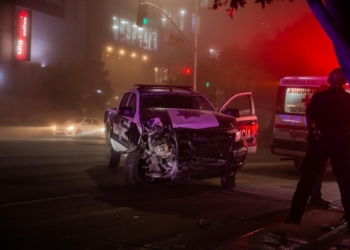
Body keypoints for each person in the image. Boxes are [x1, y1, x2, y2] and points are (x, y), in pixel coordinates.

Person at [285, 68, 350, 225]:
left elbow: (309, 115)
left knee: (306, 180)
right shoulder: (348, 99)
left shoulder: (318, 97)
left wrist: (312, 132)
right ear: (344, 82)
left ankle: (294, 217)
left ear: (328, 81)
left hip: (320, 141)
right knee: (345, 181)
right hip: (341, 142)